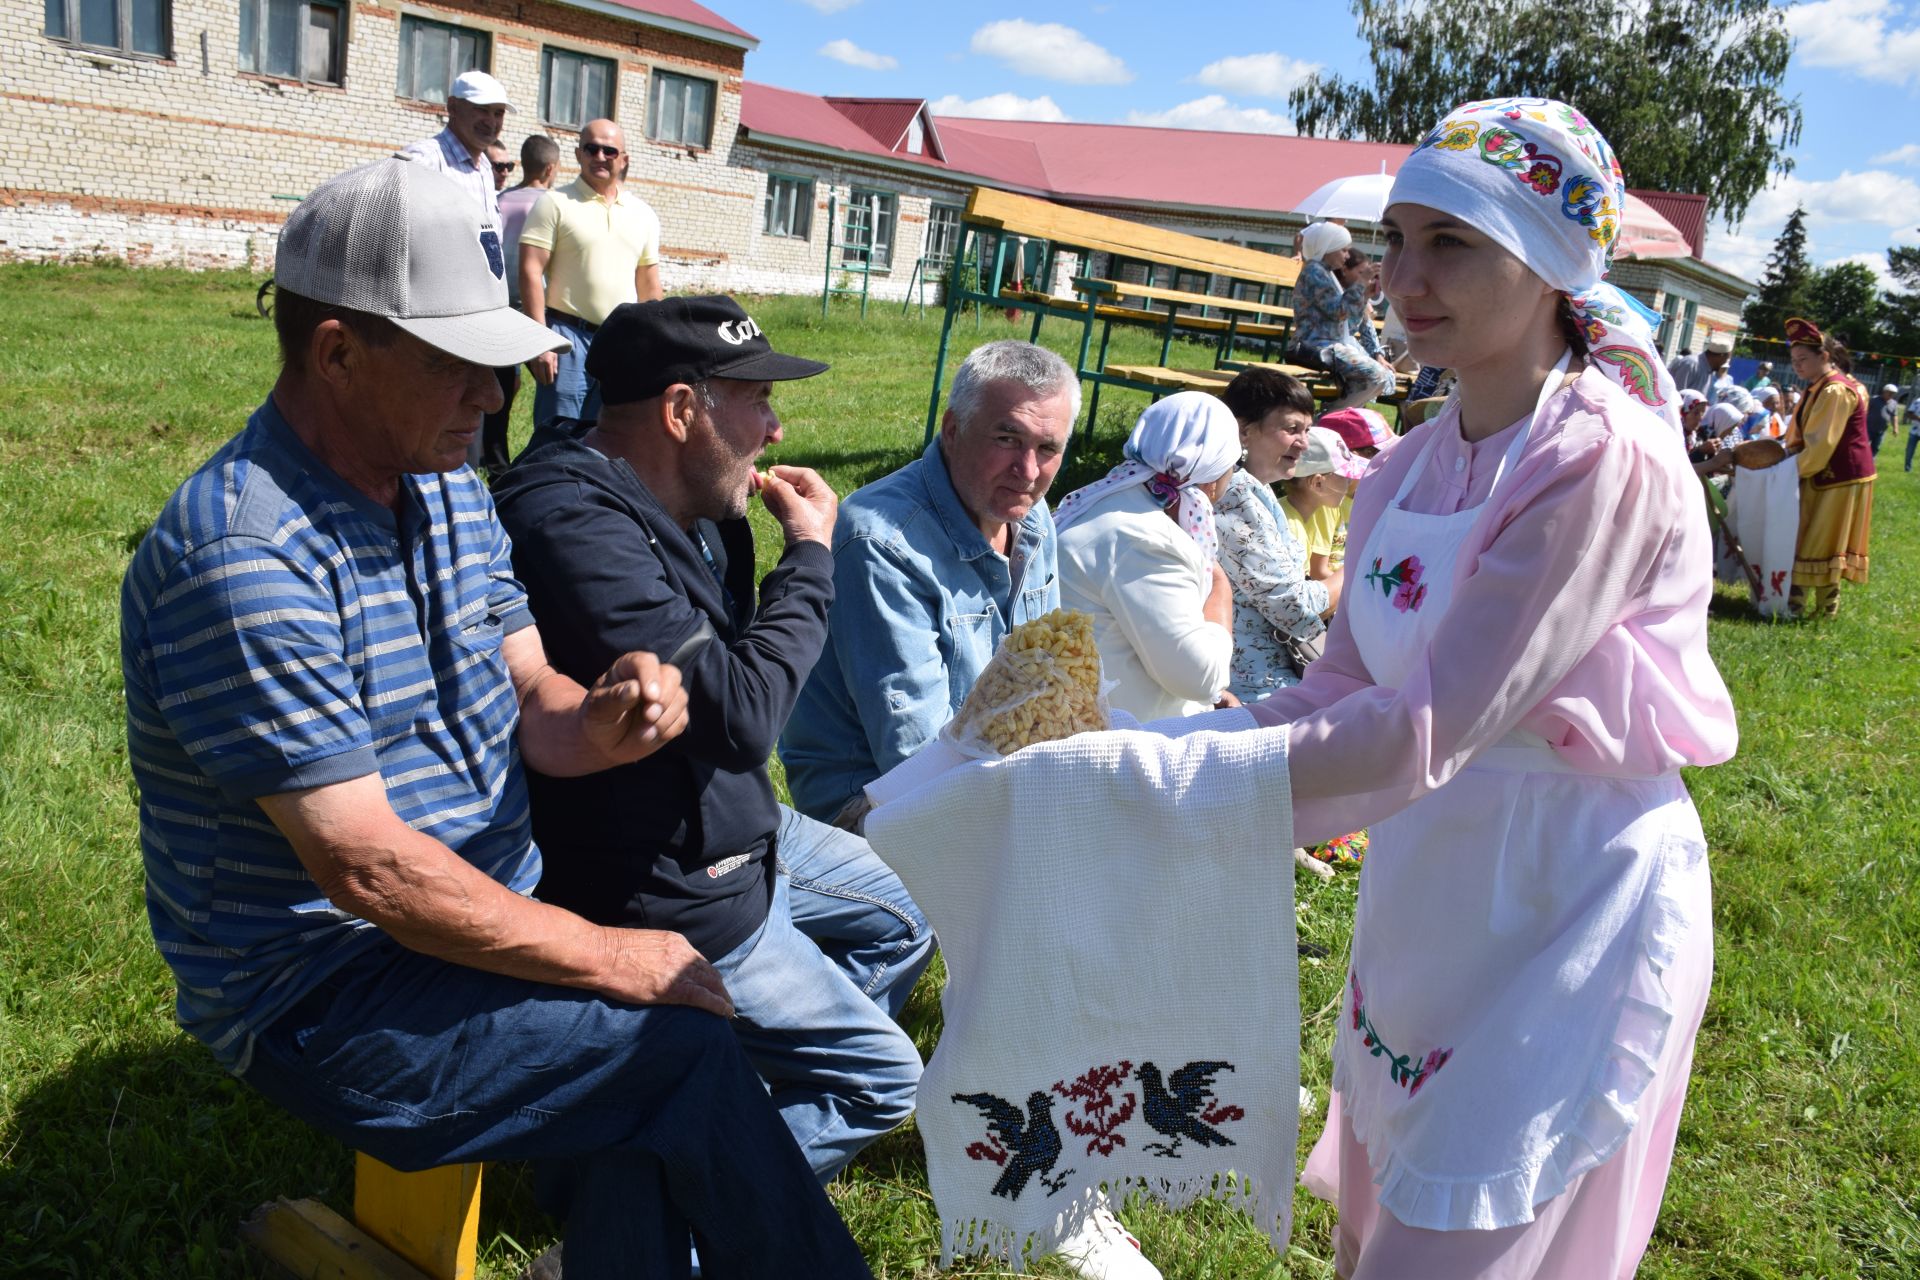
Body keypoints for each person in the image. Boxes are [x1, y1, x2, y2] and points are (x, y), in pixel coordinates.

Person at [119, 158, 874, 1279]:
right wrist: (606, 949)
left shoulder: (446, 483)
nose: (495, 396)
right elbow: (367, 872)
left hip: (482, 901)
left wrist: (607, 717)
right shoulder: (247, 553)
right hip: (326, 986)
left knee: (653, 1046)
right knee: (669, 1040)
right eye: (462, 366)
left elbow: (534, 697)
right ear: (336, 351)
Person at [1245, 97, 1737, 1278]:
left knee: (1460, 1237)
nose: (1405, 277)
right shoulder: (1404, 465)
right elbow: (1343, 686)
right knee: (1385, 1224)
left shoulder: (1601, 457)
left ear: (1553, 257)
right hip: (1435, 885)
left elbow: (1430, 722)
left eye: (1453, 241)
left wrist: (1192, 785)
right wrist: (1171, 743)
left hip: (1566, 889)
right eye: (1399, 239)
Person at [491, 296, 933, 1182]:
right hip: (664, 883)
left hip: (735, 831)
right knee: (882, 1081)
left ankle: (717, 1109)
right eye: (757, 399)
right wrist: (810, 558)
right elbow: (741, 718)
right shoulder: (573, 525)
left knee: (909, 914)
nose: (774, 430)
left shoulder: (700, 504)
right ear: (682, 410)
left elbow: (729, 680)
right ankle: (652, 1222)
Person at [782, 341, 1076, 828]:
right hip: (873, 804)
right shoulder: (883, 541)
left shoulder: (1032, 516)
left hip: (991, 770)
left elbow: (1049, 683)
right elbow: (914, 762)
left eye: (1047, 449)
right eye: (1007, 438)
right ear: (953, 430)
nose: (1027, 472)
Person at [1053, 392, 1239, 721]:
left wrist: (1213, 693)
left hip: (1089, 713)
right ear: (1212, 476)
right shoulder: (1145, 540)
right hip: (1120, 747)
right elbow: (1199, 678)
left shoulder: (1110, 498)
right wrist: (1221, 592)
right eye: (1234, 461)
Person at [520, 118, 664, 433]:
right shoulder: (554, 203)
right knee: (555, 436)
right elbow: (531, 269)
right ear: (578, 154)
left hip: (620, 342)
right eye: (591, 148)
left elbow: (649, 287)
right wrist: (539, 341)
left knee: (607, 437)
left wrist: (652, 346)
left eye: (609, 150)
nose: (600, 156)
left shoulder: (643, 215)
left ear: (624, 159)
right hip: (567, 339)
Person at [1215, 368, 1333, 700]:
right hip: (1250, 688)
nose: (1304, 442)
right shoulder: (1235, 496)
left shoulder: (1256, 491)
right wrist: (1358, 569)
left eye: (1307, 430)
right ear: (1244, 431)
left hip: (1267, 678)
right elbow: (1295, 609)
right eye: (1291, 428)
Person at [468, 134, 563, 479]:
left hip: (499, 303)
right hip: (541, 307)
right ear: (552, 168)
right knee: (551, 390)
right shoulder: (555, 203)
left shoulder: (498, 199)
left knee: (500, 391)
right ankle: (548, 462)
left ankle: (494, 462)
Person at [1783, 316, 1875, 618]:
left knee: (1818, 538)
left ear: (1824, 356)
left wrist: (1786, 472)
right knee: (1816, 536)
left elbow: (1821, 444)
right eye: (1794, 360)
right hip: (1830, 473)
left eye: (1803, 359)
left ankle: (1810, 605)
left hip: (1836, 476)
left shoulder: (1835, 390)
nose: (1797, 366)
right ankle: (1813, 605)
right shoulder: (1824, 385)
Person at [1291, 222, 1399, 413]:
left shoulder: (1325, 273)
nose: (1347, 256)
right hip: (1316, 344)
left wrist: (1364, 294)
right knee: (1376, 375)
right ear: (1328, 248)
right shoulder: (1314, 271)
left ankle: (1339, 416)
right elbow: (1338, 311)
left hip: (1332, 343)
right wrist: (1361, 282)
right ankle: (1330, 418)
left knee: (1384, 376)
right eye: (1343, 250)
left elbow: (1351, 322)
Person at [396, 69, 508, 224]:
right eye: (482, 110)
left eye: (498, 113)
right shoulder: (425, 160)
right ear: (453, 107)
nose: (490, 122)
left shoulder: (485, 167)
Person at [1279, 427, 1365, 592]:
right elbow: (1295, 604)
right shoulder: (1291, 530)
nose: (1350, 482)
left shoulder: (1300, 514)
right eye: (1345, 476)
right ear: (1317, 483)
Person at [1668, 330, 1735, 401]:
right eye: (1726, 359)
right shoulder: (1691, 364)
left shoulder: (1709, 371)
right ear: (1721, 356)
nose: (1725, 364)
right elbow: (1676, 395)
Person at [1867, 382, 1899, 455]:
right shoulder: (1874, 400)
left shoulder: (1894, 403)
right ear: (1884, 392)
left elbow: (1894, 416)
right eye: (1890, 393)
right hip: (1869, 428)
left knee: (1876, 448)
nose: (1891, 395)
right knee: (1864, 446)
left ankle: (1870, 464)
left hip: (1881, 431)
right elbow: (1865, 411)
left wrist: (1895, 428)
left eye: (1893, 393)